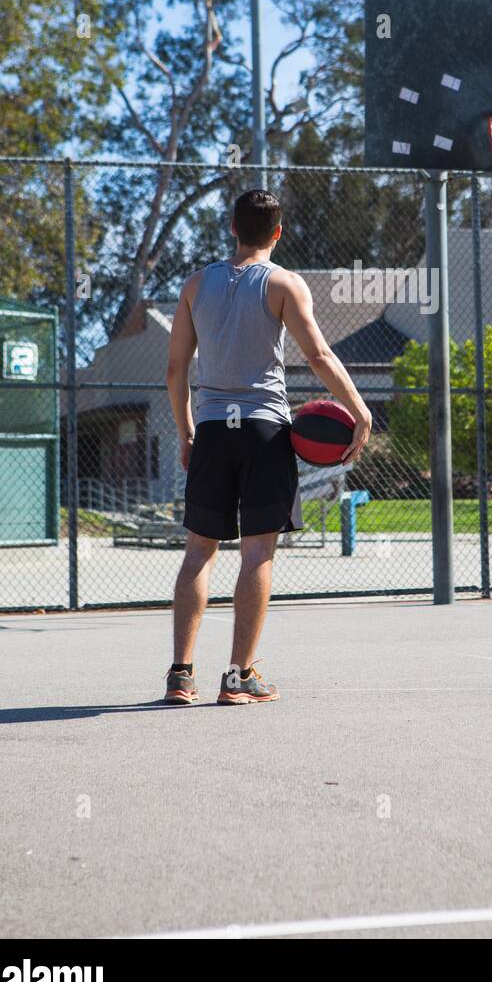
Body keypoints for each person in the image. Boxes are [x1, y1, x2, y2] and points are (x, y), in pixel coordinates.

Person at [163, 189, 372, 705]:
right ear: (277, 233)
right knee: (257, 552)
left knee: (198, 553)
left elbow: (174, 371)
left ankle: (180, 675)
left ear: (232, 228)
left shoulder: (195, 285)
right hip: (264, 429)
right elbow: (319, 354)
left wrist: (187, 432)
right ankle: (238, 678)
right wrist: (360, 411)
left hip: (212, 428)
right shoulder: (283, 283)